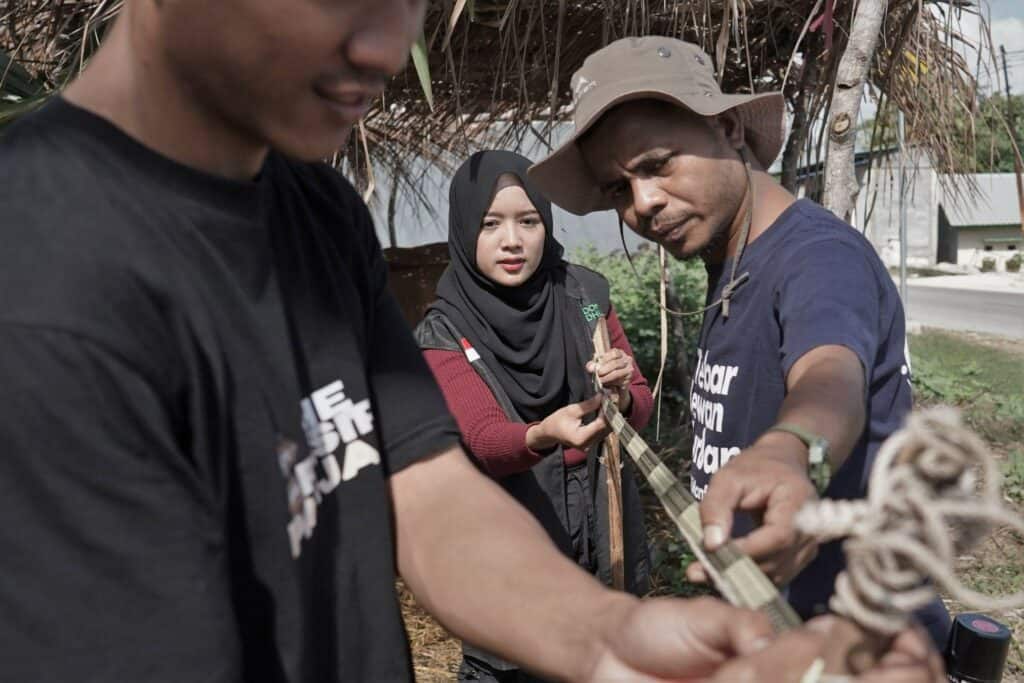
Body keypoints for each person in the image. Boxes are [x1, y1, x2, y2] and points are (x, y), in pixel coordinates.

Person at [0, 1, 943, 680]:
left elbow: (424, 488)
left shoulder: (317, 216)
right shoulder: (38, 270)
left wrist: (614, 640)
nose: (387, 42)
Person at [529, 36, 952, 647]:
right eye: (619, 188)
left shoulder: (817, 259)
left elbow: (831, 375)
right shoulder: (734, 261)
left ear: (729, 128)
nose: (643, 203)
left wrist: (792, 449)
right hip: (783, 630)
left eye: (658, 164)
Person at [416, 150, 652, 680]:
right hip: (507, 567)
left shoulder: (586, 296)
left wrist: (620, 392)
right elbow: (482, 439)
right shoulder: (444, 331)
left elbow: (636, 397)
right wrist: (544, 432)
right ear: (464, 228)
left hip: (600, 544)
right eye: (491, 224)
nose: (513, 240)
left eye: (529, 221)